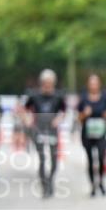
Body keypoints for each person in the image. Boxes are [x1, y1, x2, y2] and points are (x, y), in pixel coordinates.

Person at [24, 69, 66, 198]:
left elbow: (64, 111)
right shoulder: (34, 96)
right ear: (42, 82)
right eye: (45, 82)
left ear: (53, 83)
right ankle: (45, 186)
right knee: (42, 159)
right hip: (39, 130)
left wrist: (58, 120)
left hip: (52, 130)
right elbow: (25, 109)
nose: (48, 85)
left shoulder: (58, 96)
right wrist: (29, 119)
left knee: (54, 160)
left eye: (50, 82)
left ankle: (50, 180)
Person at [77, 73, 106, 197]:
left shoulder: (105, 96)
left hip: (101, 133)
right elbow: (79, 118)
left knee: (101, 158)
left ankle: (101, 182)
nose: (93, 85)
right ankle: (93, 185)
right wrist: (84, 114)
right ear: (88, 85)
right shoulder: (83, 98)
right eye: (91, 83)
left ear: (99, 84)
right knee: (91, 159)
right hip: (87, 134)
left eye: (95, 83)